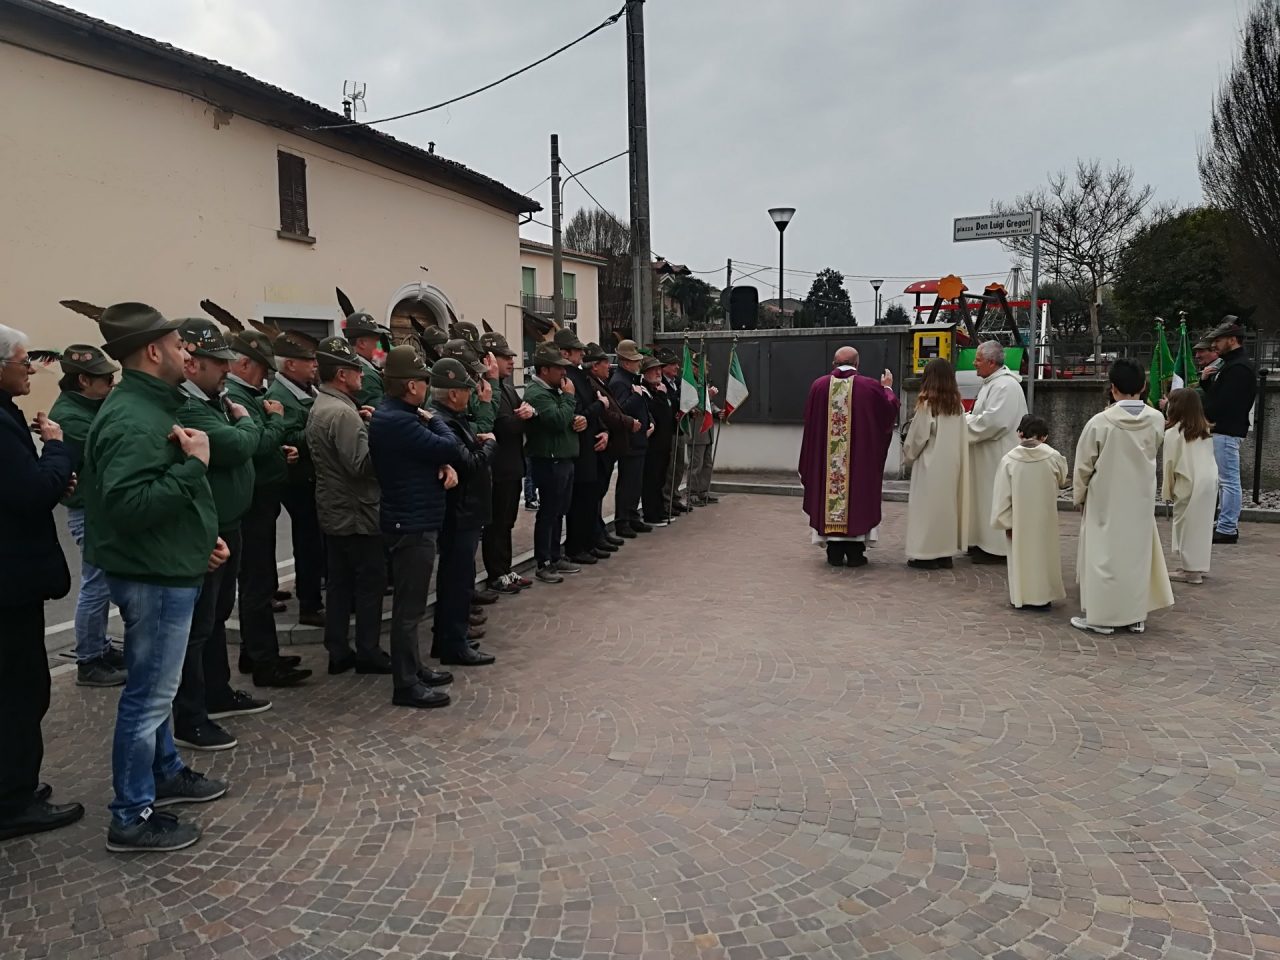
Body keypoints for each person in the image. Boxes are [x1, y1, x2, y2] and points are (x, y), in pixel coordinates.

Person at [82, 303, 229, 853]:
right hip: (154, 578)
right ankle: (130, 814)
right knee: (148, 696)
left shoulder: (148, 407)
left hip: (167, 567)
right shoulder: (132, 417)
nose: (186, 351)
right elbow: (128, 506)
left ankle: (163, 771)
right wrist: (196, 465)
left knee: (157, 692)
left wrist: (197, 542)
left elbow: (150, 496)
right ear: (152, 351)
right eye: (177, 343)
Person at [0, 324, 85, 842]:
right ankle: (13, 801)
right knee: (20, 690)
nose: (30, 368)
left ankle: (15, 787)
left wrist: (51, 475)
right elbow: (27, 494)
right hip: (10, 583)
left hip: (13, 579)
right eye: (23, 360)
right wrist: (56, 451)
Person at [172, 320, 272, 752]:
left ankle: (218, 691)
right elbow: (236, 446)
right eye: (219, 364)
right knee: (197, 626)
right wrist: (250, 423)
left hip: (229, 521)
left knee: (215, 617)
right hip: (205, 530)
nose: (227, 371)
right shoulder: (190, 407)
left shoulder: (215, 399)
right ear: (192, 364)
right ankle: (191, 715)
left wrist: (241, 426)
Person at [368, 345, 461, 708]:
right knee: (408, 610)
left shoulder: (399, 416)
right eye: (423, 380)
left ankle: (414, 667)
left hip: (414, 517)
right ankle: (405, 684)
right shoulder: (400, 420)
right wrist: (433, 419)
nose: (426, 387)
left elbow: (429, 456)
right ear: (411, 386)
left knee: (414, 606)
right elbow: (449, 446)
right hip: (410, 523)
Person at [224, 331, 309, 688]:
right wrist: (275, 420)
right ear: (243, 364)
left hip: (261, 495)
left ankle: (254, 651)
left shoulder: (248, 392)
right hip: (254, 500)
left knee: (259, 581)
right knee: (257, 583)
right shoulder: (239, 395)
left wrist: (281, 450)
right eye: (261, 368)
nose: (266, 376)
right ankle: (264, 662)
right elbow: (255, 443)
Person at [1071, 358, 1175, 635]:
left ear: (1113, 387)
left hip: (1105, 496)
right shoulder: (1156, 419)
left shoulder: (1100, 422)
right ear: (1143, 386)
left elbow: (1083, 466)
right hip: (1139, 496)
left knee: (1103, 556)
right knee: (1136, 555)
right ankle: (1134, 615)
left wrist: (1079, 496)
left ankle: (1102, 617)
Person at [306, 336, 390, 675]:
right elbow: (362, 465)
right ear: (342, 374)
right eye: (357, 370)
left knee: (340, 584)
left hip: (335, 508)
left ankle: (338, 649)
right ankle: (368, 651)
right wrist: (381, 439)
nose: (362, 376)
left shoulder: (326, 405)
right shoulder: (342, 413)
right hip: (357, 511)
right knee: (370, 582)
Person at [48, 344, 126, 687]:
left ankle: (100, 646)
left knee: (103, 585)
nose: (111, 384)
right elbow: (109, 448)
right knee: (96, 586)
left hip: (98, 508)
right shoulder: (71, 416)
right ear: (83, 380)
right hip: (88, 510)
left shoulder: (88, 406)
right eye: (106, 379)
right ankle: (89, 660)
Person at [798, 346, 899, 567]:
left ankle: (833, 552)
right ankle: (855, 553)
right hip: (857, 465)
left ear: (834, 364)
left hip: (828, 465)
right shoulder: (870, 387)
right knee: (857, 498)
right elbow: (888, 412)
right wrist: (888, 388)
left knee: (829, 493)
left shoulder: (819, 386)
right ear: (857, 364)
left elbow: (810, 424)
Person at [430, 358, 499, 667]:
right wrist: (489, 446)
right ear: (454, 393)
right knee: (456, 582)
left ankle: (450, 638)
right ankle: (452, 644)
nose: (471, 395)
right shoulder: (441, 421)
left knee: (458, 579)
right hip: (460, 513)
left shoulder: (452, 417)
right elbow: (468, 464)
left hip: (466, 512)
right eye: (466, 390)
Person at [266, 333, 325, 627]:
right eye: (308, 360)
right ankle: (310, 604)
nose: (315, 364)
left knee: (315, 540)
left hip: (312, 475)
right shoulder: (279, 394)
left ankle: (315, 592)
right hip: (299, 480)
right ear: (290, 364)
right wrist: (321, 426)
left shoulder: (305, 388)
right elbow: (288, 437)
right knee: (308, 541)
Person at [991, 415, 1069, 611]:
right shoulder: (1053, 457)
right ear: (1044, 437)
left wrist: (1005, 522)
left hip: (1018, 520)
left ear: (1019, 434)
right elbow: (1062, 479)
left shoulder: (1009, 460)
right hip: (1045, 517)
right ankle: (1044, 596)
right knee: (1044, 555)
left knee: (1021, 557)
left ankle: (1022, 597)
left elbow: (1002, 496)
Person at [965, 340, 1028, 565]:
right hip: (986, 456)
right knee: (983, 499)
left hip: (997, 455)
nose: (974, 364)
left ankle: (995, 548)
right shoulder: (992, 383)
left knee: (993, 498)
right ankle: (982, 542)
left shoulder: (1005, 386)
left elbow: (994, 422)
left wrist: (962, 423)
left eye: (978, 360)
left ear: (991, 363)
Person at [901, 358, 968, 570]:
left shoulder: (927, 404)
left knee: (925, 510)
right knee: (946, 508)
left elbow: (918, 437)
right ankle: (944, 553)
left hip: (930, 464)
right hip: (951, 464)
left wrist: (908, 454)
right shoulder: (957, 406)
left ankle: (925, 553)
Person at [480, 332, 533, 594]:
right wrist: (525, 417)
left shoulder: (508, 388)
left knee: (508, 522)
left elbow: (520, 417)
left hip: (513, 466)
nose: (511, 361)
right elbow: (504, 427)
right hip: (498, 469)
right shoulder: (490, 388)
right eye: (504, 357)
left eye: (511, 356)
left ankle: (506, 568)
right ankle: (496, 573)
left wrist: (529, 412)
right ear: (489, 359)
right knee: (496, 525)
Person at [525, 342, 582, 582]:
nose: (564, 373)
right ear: (544, 370)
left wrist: (579, 420)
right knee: (548, 512)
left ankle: (556, 555)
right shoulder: (536, 393)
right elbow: (557, 421)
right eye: (558, 368)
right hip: (549, 461)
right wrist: (569, 401)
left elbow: (565, 419)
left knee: (560, 510)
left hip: (564, 458)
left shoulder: (555, 391)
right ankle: (544, 561)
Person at [1202, 317, 1257, 545]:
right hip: (1225, 428)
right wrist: (1206, 382)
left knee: (1229, 480)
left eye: (1220, 340)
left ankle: (1227, 527)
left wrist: (1208, 415)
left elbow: (1225, 402)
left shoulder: (1238, 368)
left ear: (1233, 340)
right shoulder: (1232, 365)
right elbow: (1218, 395)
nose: (1215, 344)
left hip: (1226, 429)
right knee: (1226, 479)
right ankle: (1225, 523)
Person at [557, 330, 610, 566]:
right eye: (577, 351)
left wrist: (604, 430)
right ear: (564, 353)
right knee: (579, 502)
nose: (581, 354)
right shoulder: (565, 379)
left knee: (589, 498)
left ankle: (589, 542)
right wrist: (600, 405)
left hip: (591, 444)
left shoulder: (578, 375)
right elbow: (578, 414)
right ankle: (576, 547)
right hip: (579, 448)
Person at [1162, 388, 1218, 585]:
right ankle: (1198, 565)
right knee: (1201, 525)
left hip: (1187, 482)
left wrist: (1166, 492)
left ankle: (1191, 571)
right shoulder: (1204, 430)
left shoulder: (1173, 433)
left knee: (1186, 524)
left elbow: (1169, 465)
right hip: (1209, 481)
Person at [586, 342, 632, 555]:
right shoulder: (593, 385)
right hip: (601, 447)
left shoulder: (600, 383)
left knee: (599, 493)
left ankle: (599, 532)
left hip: (609, 443)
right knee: (593, 495)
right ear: (594, 366)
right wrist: (628, 422)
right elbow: (605, 414)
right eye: (605, 363)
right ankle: (595, 535)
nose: (609, 367)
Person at [608, 339, 653, 538]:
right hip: (629, 441)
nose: (638, 364)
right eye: (635, 361)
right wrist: (635, 396)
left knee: (636, 483)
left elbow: (643, 405)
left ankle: (633, 516)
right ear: (626, 362)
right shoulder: (619, 381)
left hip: (640, 438)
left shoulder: (632, 379)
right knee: (627, 483)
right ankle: (623, 520)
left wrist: (649, 422)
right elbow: (621, 410)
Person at [657, 347, 688, 515]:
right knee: (670, 467)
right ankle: (667, 500)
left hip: (679, 428)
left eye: (677, 364)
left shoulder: (676, 383)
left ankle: (674, 497)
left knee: (679, 466)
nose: (677, 367)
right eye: (672, 365)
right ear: (663, 367)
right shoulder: (660, 384)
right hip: (668, 431)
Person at [686, 355, 721, 507]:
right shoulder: (689, 383)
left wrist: (717, 411)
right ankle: (692, 493)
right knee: (696, 463)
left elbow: (709, 404)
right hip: (696, 429)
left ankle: (703, 490)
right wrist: (707, 395)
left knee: (707, 462)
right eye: (703, 368)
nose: (706, 371)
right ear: (694, 368)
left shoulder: (704, 382)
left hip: (707, 429)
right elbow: (691, 404)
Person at [343, 311, 389, 409]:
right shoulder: (367, 376)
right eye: (376, 341)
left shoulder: (350, 365)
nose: (379, 346)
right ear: (362, 343)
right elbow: (381, 413)